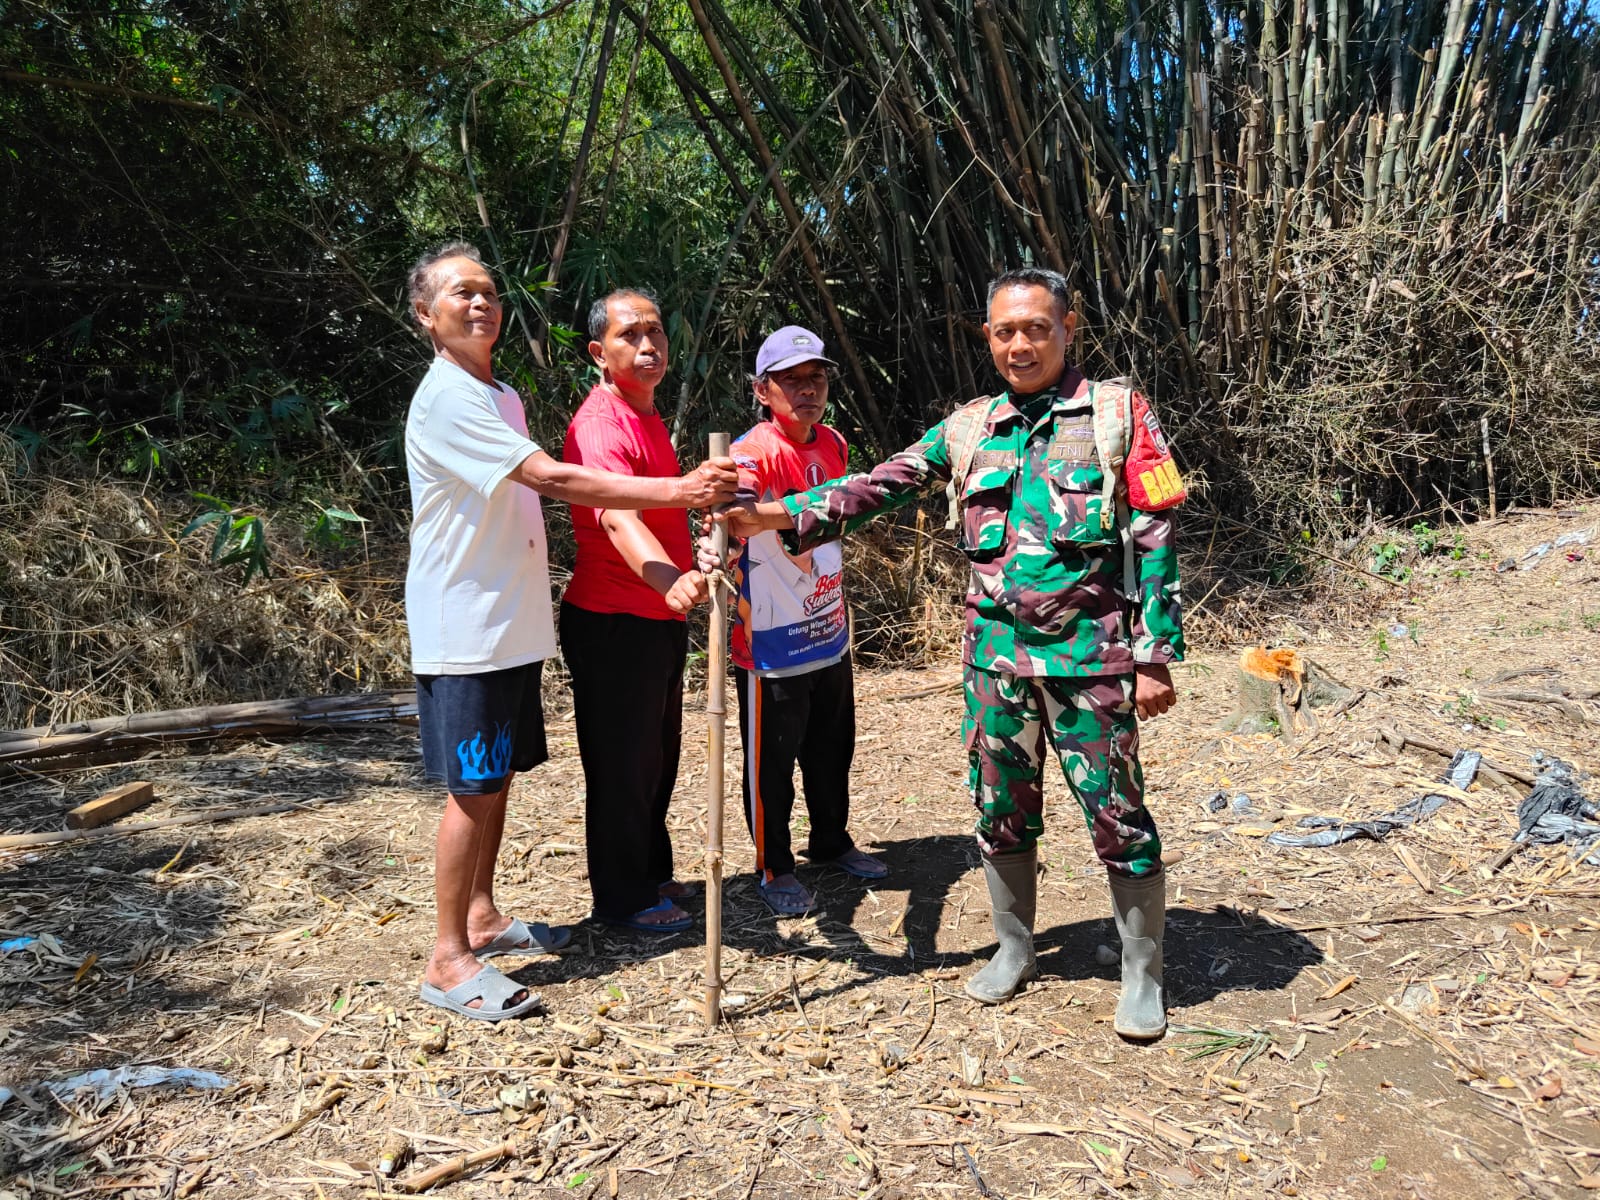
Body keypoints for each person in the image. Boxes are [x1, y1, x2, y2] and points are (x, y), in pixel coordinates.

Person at [720, 268, 1185, 1039]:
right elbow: (879, 485)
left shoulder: (1118, 414)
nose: (1021, 343)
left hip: (1090, 662)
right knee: (1000, 812)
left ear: (1069, 330)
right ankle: (1014, 950)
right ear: (989, 340)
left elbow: (1156, 532)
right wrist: (773, 515)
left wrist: (1153, 653)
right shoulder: (969, 427)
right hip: (993, 664)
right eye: (1005, 331)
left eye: (1036, 327)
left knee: (1118, 815)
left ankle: (1143, 973)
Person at [404, 245, 735, 1020]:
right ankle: (448, 959)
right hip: (467, 627)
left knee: (500, 778)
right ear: (426, 313)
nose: (481, 303)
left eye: (488, 290)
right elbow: (555, 481)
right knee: (472, 787)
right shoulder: (448, 399)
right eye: (462, 294)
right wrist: (681, 494)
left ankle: (481, 915)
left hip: (511, 622)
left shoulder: (500, 394)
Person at [718, 326, 887, 916]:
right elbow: (735, 519)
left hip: (826, 622)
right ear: (764, 390)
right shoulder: (750, 453)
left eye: (815, 378)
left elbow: (840, 517)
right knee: (772, 760)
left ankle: (832, 840)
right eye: (792, 380)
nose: (806, 390)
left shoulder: (834, 443)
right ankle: (774, 865)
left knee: (831, 747)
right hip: (769, 637)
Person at [559, 288, 710, 935]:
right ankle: (623, 898)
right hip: (616, 619)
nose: (648, 346)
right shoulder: (601, 423)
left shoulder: (644, 414)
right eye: (630, 336)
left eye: (655, 333)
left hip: (655, 618)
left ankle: (649, 872)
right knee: (623, 764)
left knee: (655, 757)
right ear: (599, 352)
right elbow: (617, 519)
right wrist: (670, 579)